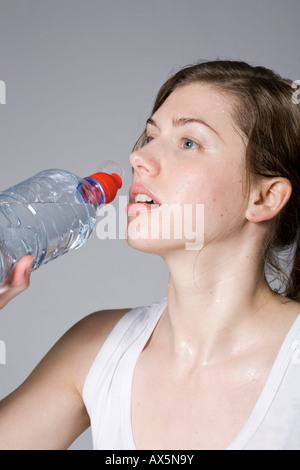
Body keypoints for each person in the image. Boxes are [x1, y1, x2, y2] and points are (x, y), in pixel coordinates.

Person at [0, 60, 300, 450]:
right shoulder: (94, 349)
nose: (138, 158)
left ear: (264, 197)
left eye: (188, 142)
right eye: (149, 136)